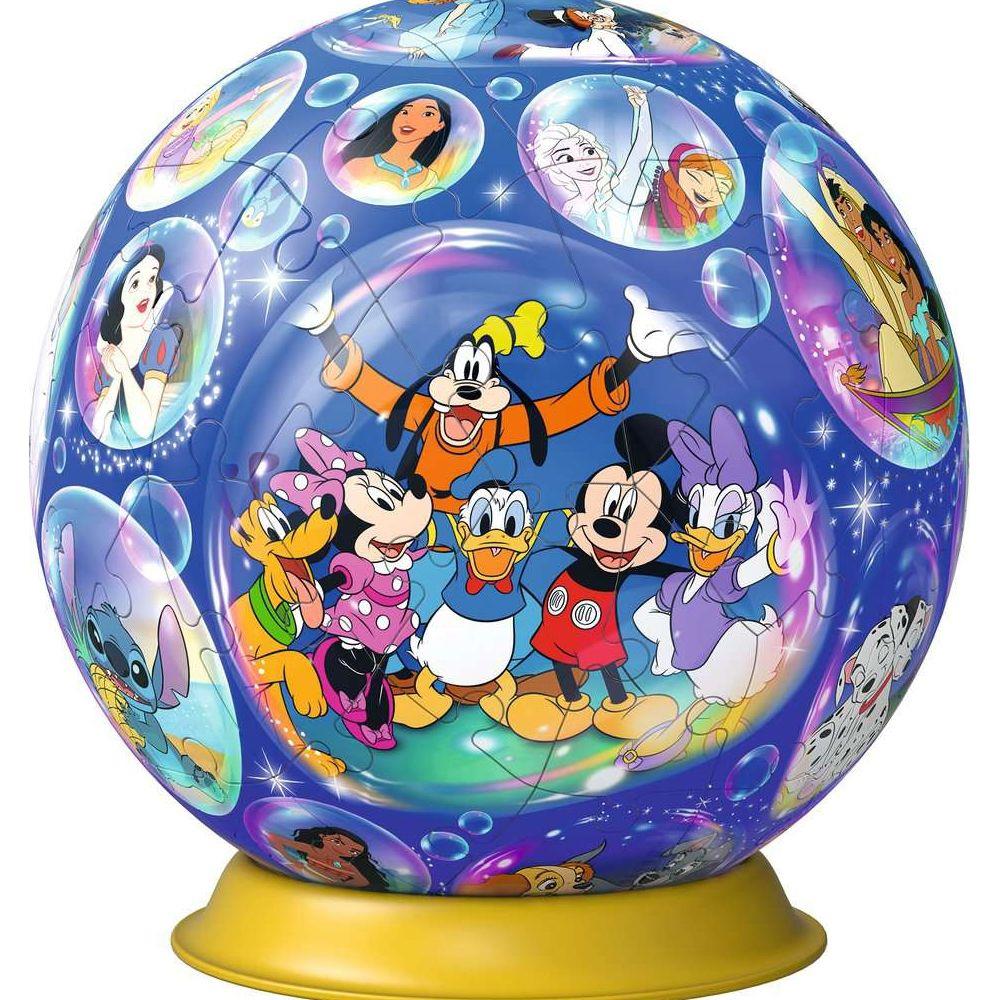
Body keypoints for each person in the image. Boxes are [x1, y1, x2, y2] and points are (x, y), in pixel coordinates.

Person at [768, 161, 948, 392]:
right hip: (916, 370)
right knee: (887, 336)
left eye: (849, 207)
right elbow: (819, 219)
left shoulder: (901, 258)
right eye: (841, 213)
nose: (851, 220)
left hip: (936, 361)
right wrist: (779, 174)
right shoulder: (864, 265)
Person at [531, 85, 653, 242]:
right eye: (568, 158)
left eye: (589, 151)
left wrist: (642, 108)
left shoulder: (619, 189)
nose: (585, 161)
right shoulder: (570, 206)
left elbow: (642, 147)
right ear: (556, 168)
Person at [91, 244, 179, 444]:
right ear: (118, 294)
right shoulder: (111, 353)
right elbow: (99, 430)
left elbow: (145, 427)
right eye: (135, 283)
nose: (147, 291)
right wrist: (116, 375)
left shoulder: (160, 339)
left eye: (152, 279)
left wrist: (125, 371)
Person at [337, 95, 453, 198]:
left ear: (439, 125)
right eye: (405, 112)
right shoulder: (356, 165)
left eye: (427, 114)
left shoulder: (431, 179)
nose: (409, 119)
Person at [640, 143, 736, 242]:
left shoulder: (713, 218)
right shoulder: (661, 191)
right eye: (697, 177)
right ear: (677, 170)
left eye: (720, 190)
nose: (707, 192)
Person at [265, 826, 389, 889]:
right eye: (337, 842)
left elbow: (363, 881)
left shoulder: (341, 863)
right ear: (323, 836)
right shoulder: (313, 850)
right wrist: (291, 860)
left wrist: (341, 881)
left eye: (353, 852)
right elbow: (274, 838)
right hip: (303, 879)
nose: (341, 849)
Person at [400, 1, 506, 61]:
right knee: (439, 23)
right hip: (474, 8)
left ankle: (428, 48)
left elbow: (460, 9)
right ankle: (422, 45)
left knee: (460, 30)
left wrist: (444, 25)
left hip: (486, 9)